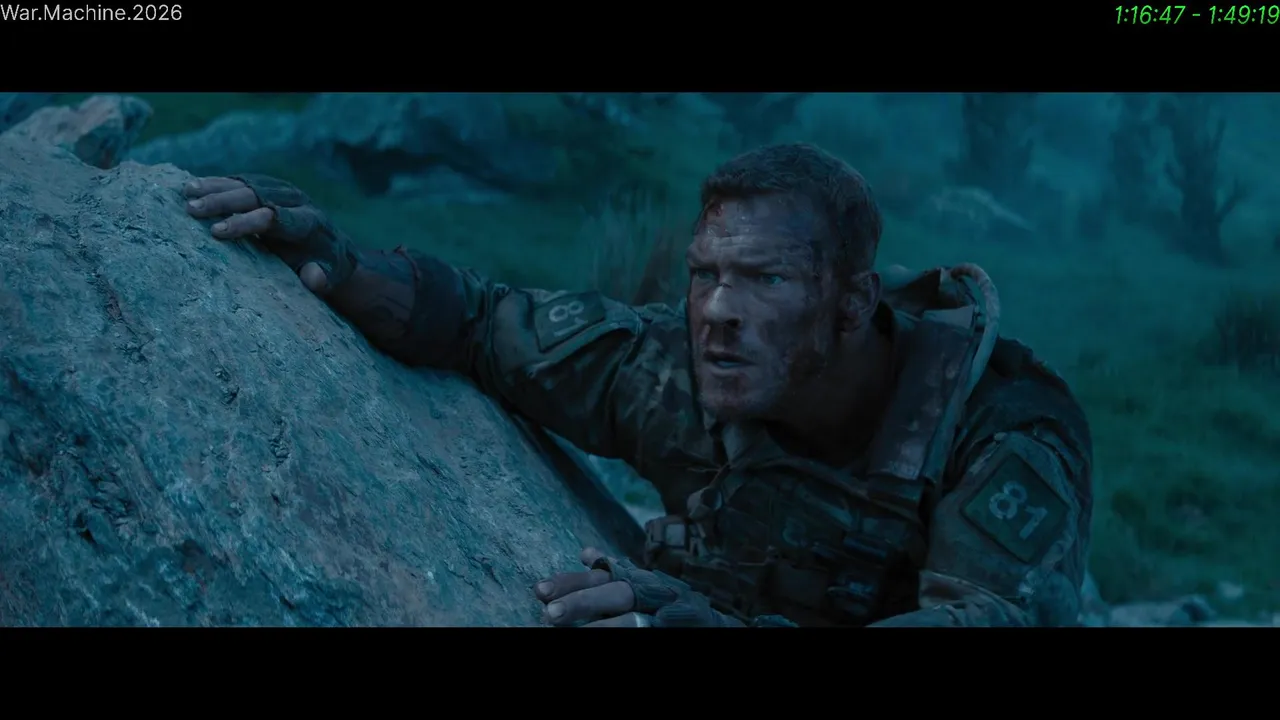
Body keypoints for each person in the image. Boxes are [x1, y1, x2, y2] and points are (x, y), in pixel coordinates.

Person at [183, 142, 1093, 628]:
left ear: (851, 303)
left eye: (766, 280)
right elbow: (481, 323)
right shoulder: (678, 372)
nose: (719, 311)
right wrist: (339, 266)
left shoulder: (999, 432)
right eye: (705, 276)